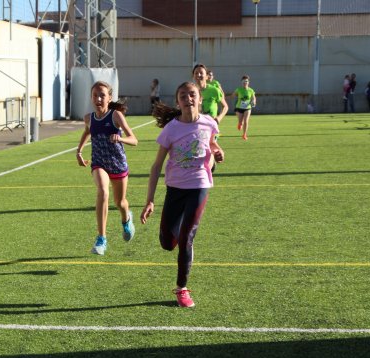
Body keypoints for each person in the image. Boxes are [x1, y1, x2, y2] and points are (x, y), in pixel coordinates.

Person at [140, 81, 225, 308]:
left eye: (192, 94)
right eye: (183, 95)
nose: (189, 98)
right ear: (178, 101)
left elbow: (212, 144)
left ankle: (182, 287)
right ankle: (182, 240)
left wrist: (217, 152)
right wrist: (150, 199)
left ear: (200, 98)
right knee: (168, 243)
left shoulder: (209, 123)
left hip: (199, 184)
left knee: (186, 237)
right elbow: (157, 166)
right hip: (175, 188)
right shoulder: (172, 129)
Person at [76, 81, 138, 255]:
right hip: (99, 163)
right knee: (103, 192)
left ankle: (126, 219)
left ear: (109, 98)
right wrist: (79, 151)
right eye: (95, 95)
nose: (98, 98)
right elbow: (87, 131)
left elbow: (134, 139)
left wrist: (121, 139)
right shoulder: (89, 118)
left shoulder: (116, 116)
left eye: (102, 95)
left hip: (117, 163)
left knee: (120, 202)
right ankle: (101, 238)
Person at [231, 75, 256, 140]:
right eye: (244, 81)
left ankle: (244, 134)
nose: (245, 82)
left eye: (246, 81)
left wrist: (253, 101)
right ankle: (239, 124)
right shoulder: (238, 89)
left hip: (247, 108)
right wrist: (232, 96)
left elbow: (253, 97)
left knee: (246, 121)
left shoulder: (251, 90)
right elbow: (233, 95)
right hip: (239, 108)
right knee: (240, 122)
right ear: (241, 82)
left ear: (248, 82)